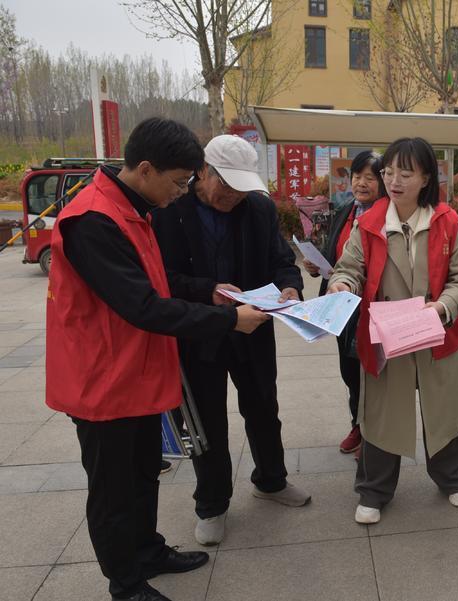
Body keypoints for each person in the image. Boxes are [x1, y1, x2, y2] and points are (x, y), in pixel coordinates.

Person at [45, 118, 270, 601]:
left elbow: (162, 285)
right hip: (102, 382)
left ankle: (148, 551)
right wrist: (229, 321)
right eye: (177, 182)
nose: (180, 193)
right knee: (112, 490)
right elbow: (143, 305)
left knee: (145, 471)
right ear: (145, 169)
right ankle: (125, 583)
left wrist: (210, 293)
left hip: (139, 372)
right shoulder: (94, 220)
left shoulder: (135, 208)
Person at [152, 135, 310, 547]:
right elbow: (161, 279)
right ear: (202, 172)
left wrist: (291, 288)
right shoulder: (171, 210)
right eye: (227, 186)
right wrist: (208, 290)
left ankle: (271, 481)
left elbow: (280, 260)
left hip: (253, 327)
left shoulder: (257, 208)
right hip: (200, 331)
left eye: (242, 187)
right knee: (208, 422)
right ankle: (212, 504)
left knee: (263, 406)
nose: (234, 196)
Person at [327, 137, 458, 525]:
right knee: (380, 414)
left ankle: (452, 477)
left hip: (437, 332)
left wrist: (443, 307)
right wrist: (342, 285)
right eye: (389, 172)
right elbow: (349, 268)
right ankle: (374, 490)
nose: (394, 181)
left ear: (426, 177)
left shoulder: (447, 222)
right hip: (386, 335)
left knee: (443, 409)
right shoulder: (370, 222)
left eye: (406, 173)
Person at [301, 151, 386, 456]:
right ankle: (358, 426)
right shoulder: (346, 210)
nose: (361, 183)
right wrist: (318, 265)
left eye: (370, 177)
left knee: (373, 373)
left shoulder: (389, 215)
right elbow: (338, 256)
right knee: (350, 372)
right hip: (342, 307)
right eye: (356, 176)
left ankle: (375, 435)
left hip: (375, 308)